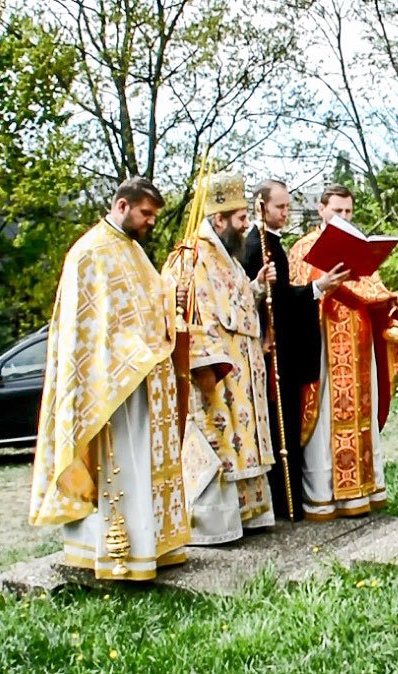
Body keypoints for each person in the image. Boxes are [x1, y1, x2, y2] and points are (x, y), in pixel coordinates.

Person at [28, 177, 190, 580]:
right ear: (122, 206)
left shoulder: (133, 251)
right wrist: (127, 358)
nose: (151, 222)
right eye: (146, 213)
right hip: (108, 385)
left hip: (139, 377)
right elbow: (86, 330)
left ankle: (148, 547)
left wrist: (171, 300)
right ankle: (114, 554)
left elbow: (147, 305)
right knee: (118, 469)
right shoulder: (90, 252)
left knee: (141, 467)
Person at [163, 170, 277, 544]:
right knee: (219, 441)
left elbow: (236, 303)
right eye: (241, 218)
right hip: (216, 371)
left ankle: (246, 515)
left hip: (244, 371)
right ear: (219, 219)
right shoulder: (191, 257)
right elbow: (188, 316)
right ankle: (214, 524)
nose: (246, 225)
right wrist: (206, 367)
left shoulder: (228, 257)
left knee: (243, 444)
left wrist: (256, 286)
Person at [287, 184, 398, 521]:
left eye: (348, 211)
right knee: (327, 416)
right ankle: (323, 496)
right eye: (337, 210)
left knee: (361, 415)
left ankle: (363, 491)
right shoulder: (304, 247)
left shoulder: (358, 245)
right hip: (325, 343)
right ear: (321, 209)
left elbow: (373, 289)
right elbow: (297, 297)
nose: (343, 216)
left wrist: (391, 302)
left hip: (359, 341)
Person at [242, 179, 347, 520]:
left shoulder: (271, 242)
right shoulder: (256, 245)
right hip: (274, 352)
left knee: (285, 424)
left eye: (288, 206)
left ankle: (289, 504)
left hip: (283, 349)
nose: (286, 212)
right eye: (280, 207)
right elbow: (278, 304)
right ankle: (284, 505)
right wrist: (318, 287)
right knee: (280, 429)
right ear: (261, 206)